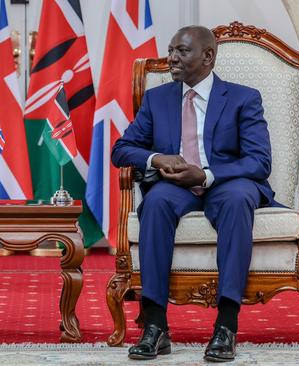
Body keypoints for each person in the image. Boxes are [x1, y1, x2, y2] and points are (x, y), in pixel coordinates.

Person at [112, 25, 278, 362]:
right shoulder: (157, 99)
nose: (171, 57)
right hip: (176, 188)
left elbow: (259, 162)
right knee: (155, 201)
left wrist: (207, 174)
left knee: (236, 200)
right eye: (171, 49)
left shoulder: (243, 98)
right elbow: (122, 149)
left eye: (181, 51)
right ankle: (156, 327)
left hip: (225, 183)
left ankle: (226, 325)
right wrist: (156, 158)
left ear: (208, 56)